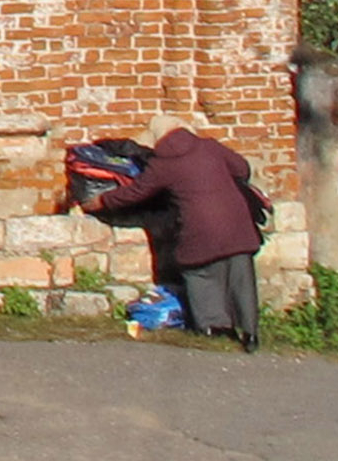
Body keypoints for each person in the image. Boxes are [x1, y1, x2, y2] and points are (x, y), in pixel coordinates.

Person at [83, 125, 267, 350]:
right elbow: (242, 169)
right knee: (241, 279)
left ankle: (214, 327)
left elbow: (136, 191)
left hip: (200, 231)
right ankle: (250, 334)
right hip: (237, 225)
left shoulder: (164, 164)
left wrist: (101, 201)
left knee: (200, 274)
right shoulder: (210, 147)